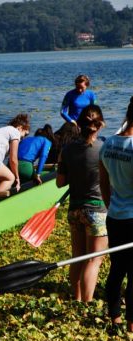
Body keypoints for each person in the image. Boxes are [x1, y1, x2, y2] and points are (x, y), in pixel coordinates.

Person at [56, 104, 108, 302]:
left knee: (77, 257)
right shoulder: (103, 148)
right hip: (97, 211)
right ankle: (86, 303)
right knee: (94, 260)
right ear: (100, 124)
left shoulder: (67, 149)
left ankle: (76, 299)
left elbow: (60, 183)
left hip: (75, 210)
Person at [99, 97, 133, 333]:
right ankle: (132, 323)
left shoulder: (107, 144)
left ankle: (115, 317)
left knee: (117, 268)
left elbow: (103, 182)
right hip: (132, 218)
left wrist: (112, 205)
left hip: (114, 216)